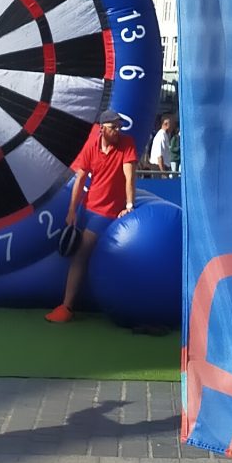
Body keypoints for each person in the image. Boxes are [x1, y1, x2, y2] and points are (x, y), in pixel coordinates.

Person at [48, 110, 137, 324]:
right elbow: (80, 179)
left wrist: (129, 205)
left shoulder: (127, 144)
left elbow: (130, 177)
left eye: (119, 127)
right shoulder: (92, 146)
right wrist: (72, 210)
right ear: (102, 129)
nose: (117, 131)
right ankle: (67, 302)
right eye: (113, 127)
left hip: (106, 212)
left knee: (80, 253)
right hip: (86, 208)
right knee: (70, 250)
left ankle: (67, 307)